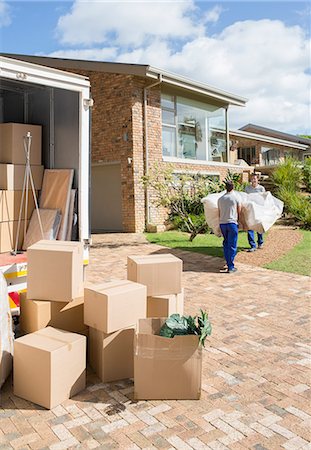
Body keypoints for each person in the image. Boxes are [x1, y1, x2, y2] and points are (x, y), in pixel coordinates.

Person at [218, 180, 241, 273]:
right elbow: (239, 211)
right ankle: (230, 266)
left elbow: (218, 212)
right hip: (232, 223)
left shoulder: (220, 199)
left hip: (223, 223)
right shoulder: (235, 198)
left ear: (225, 188)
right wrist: (240, 221)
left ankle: (228, 262)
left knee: (226, 244)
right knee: (232, 245)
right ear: (233, 187)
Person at [245, 173, 266, 251]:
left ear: (257, 179)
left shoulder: (261, 189)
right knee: (250, 227)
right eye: (252, 179)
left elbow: (264, 199)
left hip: (259, 210)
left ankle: (260, 242)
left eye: (255, 178)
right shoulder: (247, 188)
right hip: (250, 211)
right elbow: (246, 199)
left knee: (259, 227)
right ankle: (252, 245)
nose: (253, 180)